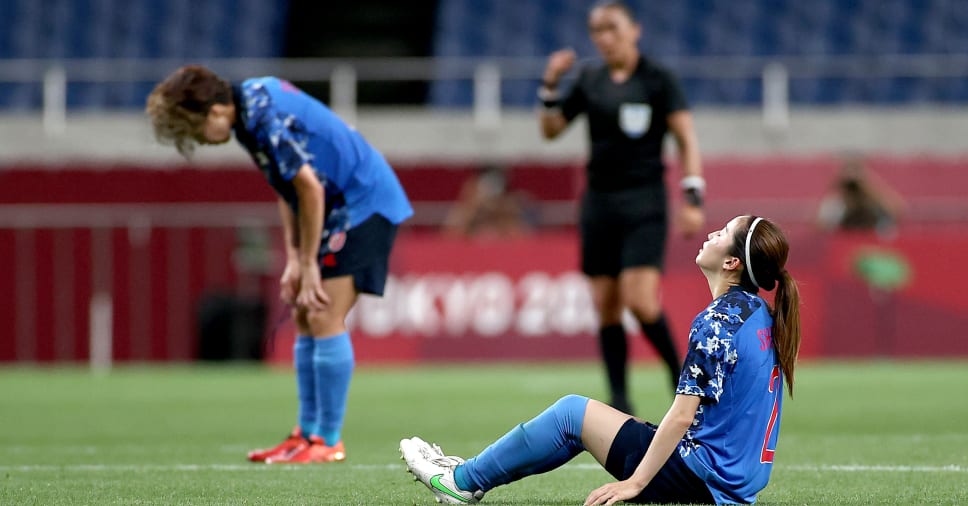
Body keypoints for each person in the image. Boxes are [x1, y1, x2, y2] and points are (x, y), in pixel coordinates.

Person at [401, 215, 802, 505]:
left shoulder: (718, 322)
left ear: (732, 263)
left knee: (571, 414)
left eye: (723, 233)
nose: (712, 233)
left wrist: (635, 483)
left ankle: (460, 482)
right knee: (590, 421)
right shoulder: (759, 314)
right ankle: (469, 476)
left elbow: (681, 417)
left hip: (700, 479)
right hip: (735, 483)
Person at [146, 65, 413, 463]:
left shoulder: (258, 116)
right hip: (339, 203)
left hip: (363, 203)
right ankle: (305, 435)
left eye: (195, 129)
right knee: (305, 314)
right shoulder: (250, 111)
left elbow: (306, 186)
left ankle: (328, 441)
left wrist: (307, 263)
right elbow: (289, 187)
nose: (199, 140)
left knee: (322, 312)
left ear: (215, 111)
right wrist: (294, 259)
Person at [537, 0, 706, 414]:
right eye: (596, 30)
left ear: (635, 30)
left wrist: (692, 196)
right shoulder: (590, 78)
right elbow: (551, 131)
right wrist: (550, 86)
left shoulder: (657, 79)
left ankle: (681, 376)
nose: (603, 37)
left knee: (641, 300)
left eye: (611, 27)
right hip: (599, 203)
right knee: (606, 304)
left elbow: (686, 137)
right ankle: (619, 398)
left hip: (644, 201)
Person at [816, 155, 906, 238]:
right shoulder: (836, 204)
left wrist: (869, 188)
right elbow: (819, 227)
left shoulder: (874, 203)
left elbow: (898, 211)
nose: (853, 190)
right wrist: (835, 188)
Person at [442, 164, 534, 239]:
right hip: (475, 223)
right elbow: (450, 236)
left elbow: (522, 236)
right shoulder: (464, 210)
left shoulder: (506, 207)